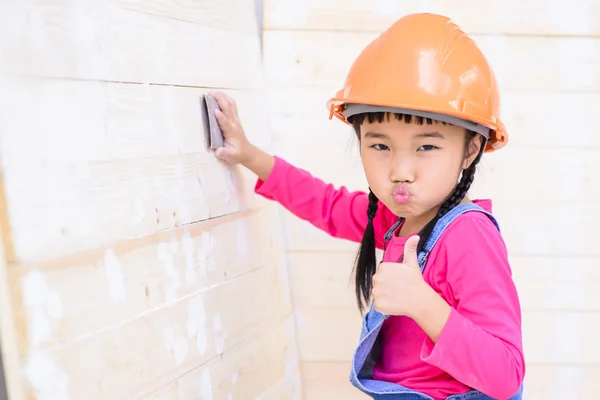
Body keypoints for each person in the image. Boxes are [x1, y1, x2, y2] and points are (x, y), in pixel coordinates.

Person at [208, 12, 524, 400]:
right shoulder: (396, 218)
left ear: (470, 149)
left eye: (426, 146)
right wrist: (250, 155)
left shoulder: (468, 236)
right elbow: (325, 203)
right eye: (380, 145)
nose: (400, 171)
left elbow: (506, 374)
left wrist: (424, 304)